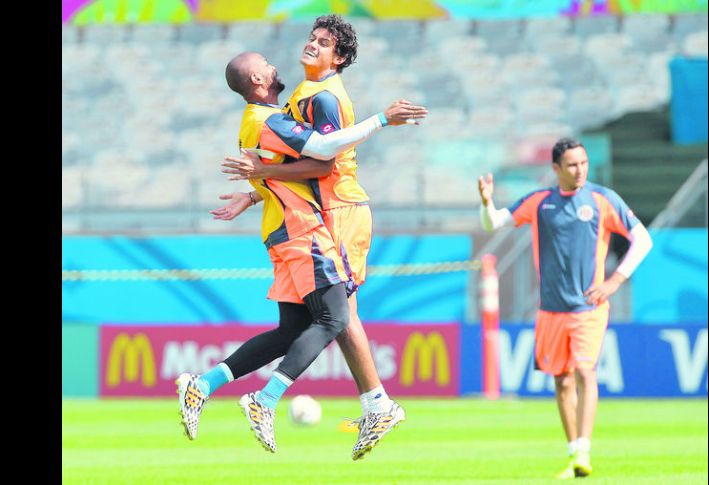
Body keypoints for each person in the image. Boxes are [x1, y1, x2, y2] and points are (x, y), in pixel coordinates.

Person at [177, 51, 425, 455]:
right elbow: (324, 152)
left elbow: (268, 171)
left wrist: (252, 195)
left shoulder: (252, 124)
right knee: (334, 317)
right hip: (301, 231)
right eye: (267, 63)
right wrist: (381, 119)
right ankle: (266, 399)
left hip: (280, 231)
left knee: (292, 331)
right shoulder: (270, 119)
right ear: (258, 78)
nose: (276, 65)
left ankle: (201, 386)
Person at [478, 137, 653, 479]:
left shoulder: (602, 199)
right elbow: (492, 223)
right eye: (572, 165)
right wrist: (486, 203)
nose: (580, 170)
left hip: (588, 307)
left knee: (585, 371)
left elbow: (642, 239)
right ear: (556, 169)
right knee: (562, 380)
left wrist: (614, 282)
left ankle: (584, 450)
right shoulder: (541, 201)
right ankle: (574, 454)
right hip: (551, 310)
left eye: (584, 163)